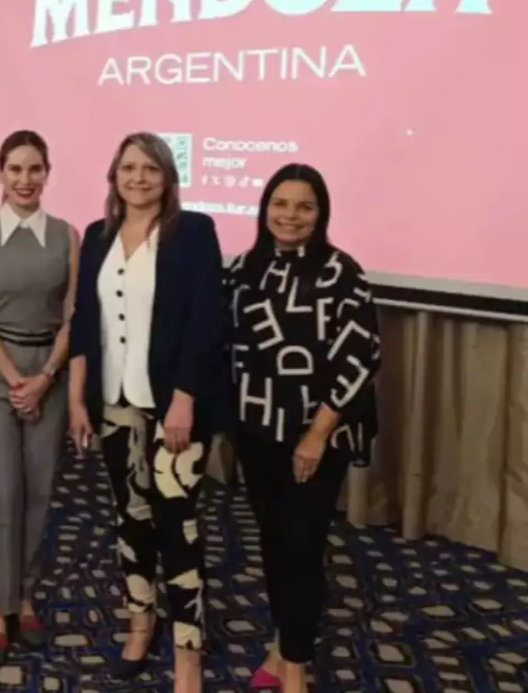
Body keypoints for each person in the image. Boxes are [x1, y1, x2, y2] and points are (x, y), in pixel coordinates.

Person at [67, 132, 228, 693]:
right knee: (130, 520)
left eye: (150, 169)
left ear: (168, 177)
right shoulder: (97, 236)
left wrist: (184, 398)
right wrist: (77, 399)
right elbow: (86, 324)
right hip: (113, 404)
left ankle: (189, 655)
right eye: (128, 168)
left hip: (173, 409)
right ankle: (141, 621)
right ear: (114, 174)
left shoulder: (194, 232)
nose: (138, 178)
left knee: (178, 529)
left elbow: (207, 320)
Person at [224, 163, 382, 693]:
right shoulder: (243, 269)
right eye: (280, 204)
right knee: (273, 543)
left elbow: (361, 357)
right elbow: (228, 348)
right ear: (265, 208)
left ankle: (294, 666)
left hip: (319, 436)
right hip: (257, 433)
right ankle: (283, 643)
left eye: (304, 206)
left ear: (321, 213)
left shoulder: (342, 272)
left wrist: (316, 434)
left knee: (303, 543)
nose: (290, 216)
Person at [0, 130, 79, 664]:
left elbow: (73, 316)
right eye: (15, 170)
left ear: (47, 173)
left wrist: (46, 376)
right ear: (0, 175)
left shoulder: (67, 236)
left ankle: (25, 597)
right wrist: (13, 379)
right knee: (1, 489)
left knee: (38, 490)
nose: (25, 180)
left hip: (47, 375)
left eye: (34, 170)